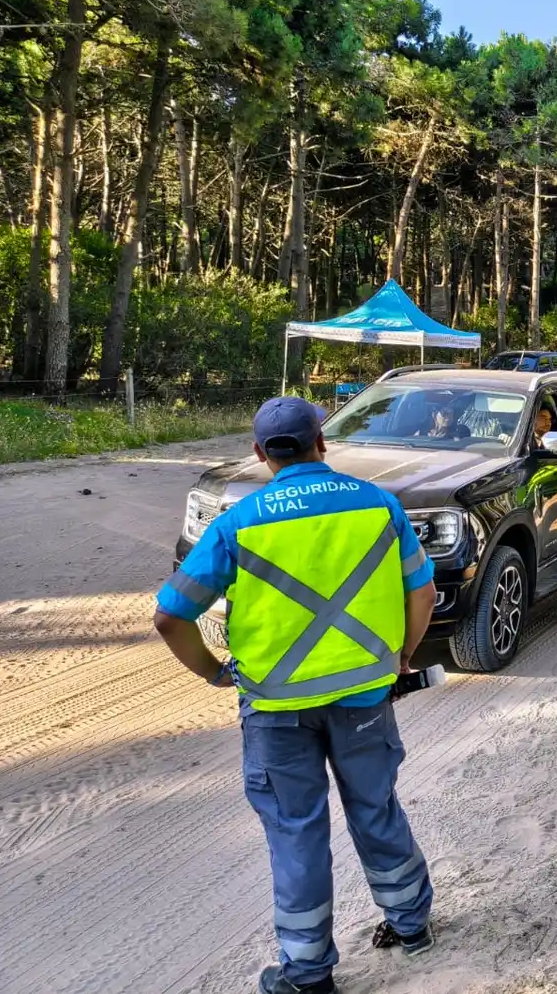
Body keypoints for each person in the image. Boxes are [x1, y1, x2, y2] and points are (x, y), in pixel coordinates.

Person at [153, 396, 437, 994]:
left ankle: (308, 974)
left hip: (276, 712)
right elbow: (424, 594)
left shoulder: (238, 522)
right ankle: (412, 925)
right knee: (376, 807)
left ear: (260, 454)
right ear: (322, 442)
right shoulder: (379, 507)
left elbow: (170, 618)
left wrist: (213, 673)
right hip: (364, 697)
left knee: (297, 833)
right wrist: (403, 657)